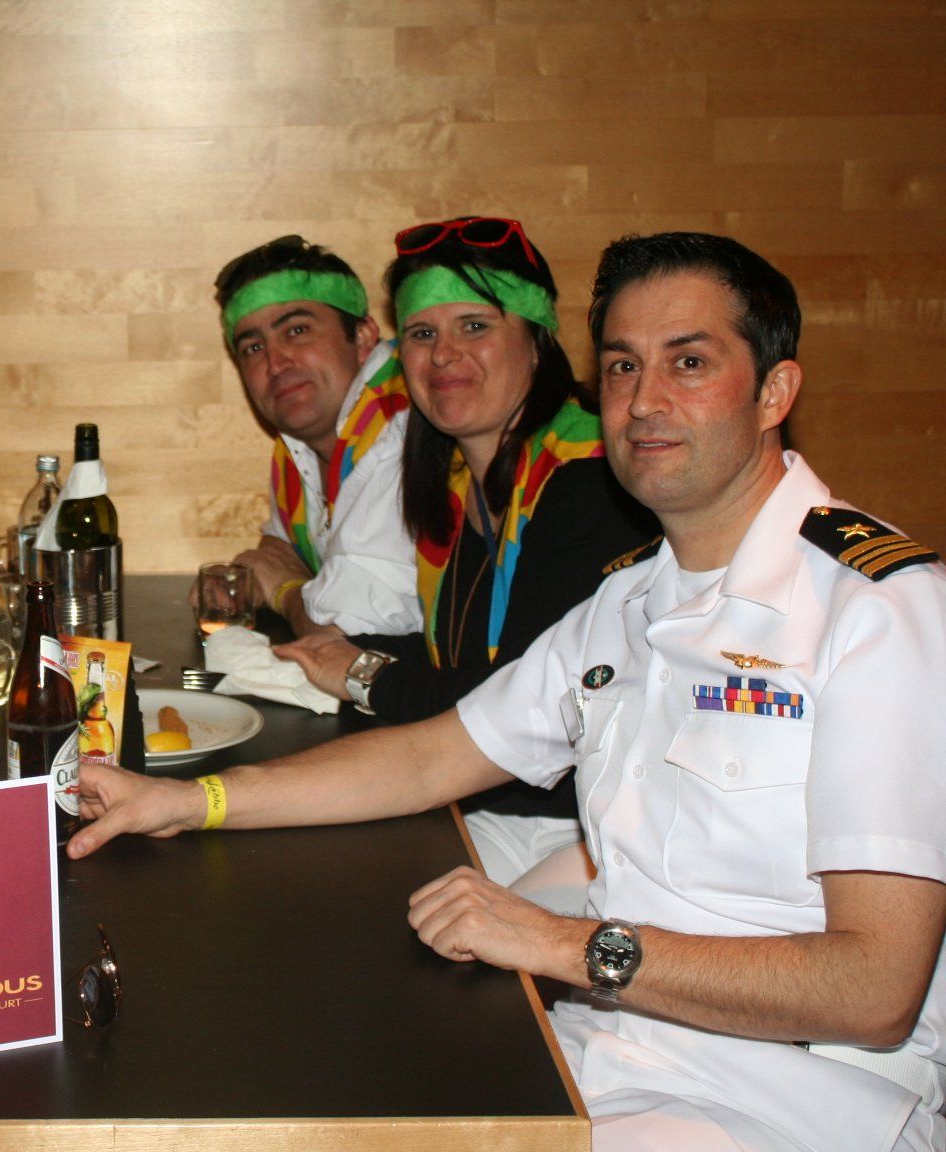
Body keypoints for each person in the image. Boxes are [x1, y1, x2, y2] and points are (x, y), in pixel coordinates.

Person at [72, 234, 946, 1151]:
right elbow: (431, 756)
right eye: (623, 365)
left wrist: (558, 943)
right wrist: (189, 801)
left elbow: (873, 991)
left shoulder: (878, 610)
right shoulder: (629, 602)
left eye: (689, 362)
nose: (645, 400)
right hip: (615, 1053)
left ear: (775, 391)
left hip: (798, 1101)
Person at [275, 217, 656, 904]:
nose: (443, 355)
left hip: (594, 828)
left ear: (537, 340)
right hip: (495, 805)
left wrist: (362, 672)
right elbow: (456, 660)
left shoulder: (588, 482)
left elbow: (514, 699)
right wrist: (340, 653)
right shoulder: (456, 482)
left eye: (474, 326)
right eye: (422, 334)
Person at [212, 234, 421, 638]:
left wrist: (285, 591)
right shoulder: (298, 444)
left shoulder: (401, 428)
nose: (275, 363)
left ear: (363, 336)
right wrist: (259, 569)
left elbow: (345, 637)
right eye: (252, 348)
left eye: (297, 330)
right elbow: (282, 547)